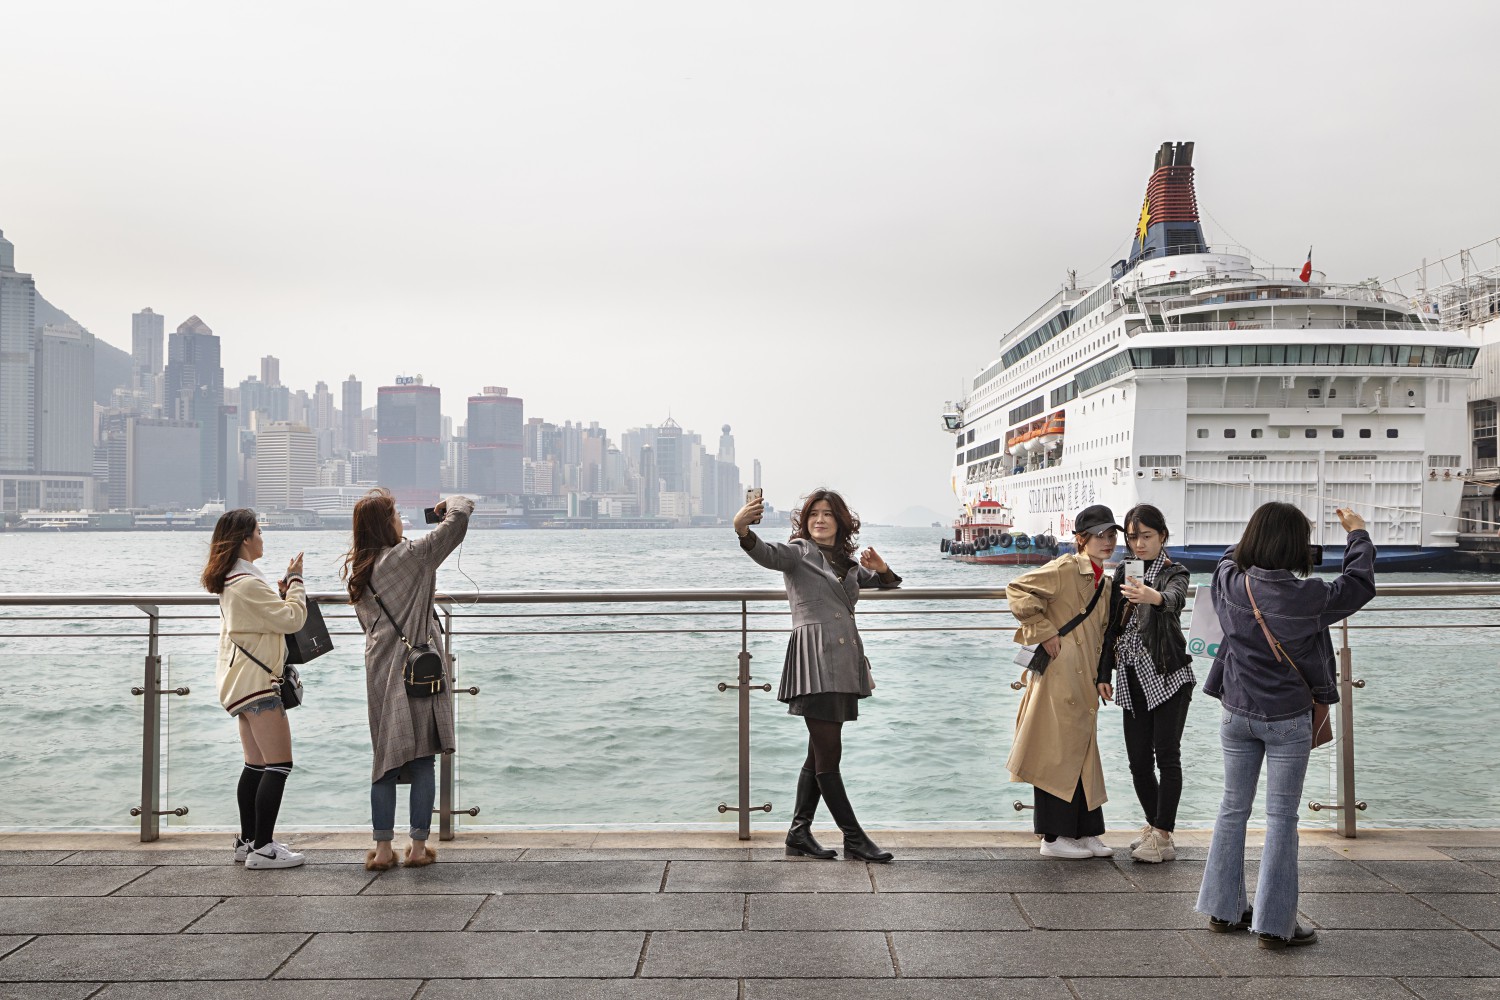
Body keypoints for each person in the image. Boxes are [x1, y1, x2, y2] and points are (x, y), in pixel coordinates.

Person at [1196, 504, 1374, 950]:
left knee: (1233, 808)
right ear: (1296, 547)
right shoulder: (1308, 596)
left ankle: (1224, 911)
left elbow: (1228, 556)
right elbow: (1358, 586)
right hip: (1287, 719)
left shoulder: (1228, 580)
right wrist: (1358, 535)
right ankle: (1276, 925)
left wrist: (1256, 537)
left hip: (1236, 713)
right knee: (1280, 819)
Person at [733, 488, 901, 863]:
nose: (820, 520)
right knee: (829, 755)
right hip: (813, 662)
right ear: (805, 522)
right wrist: (742, 529)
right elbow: (765, 553)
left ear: (841, 521)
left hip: (844, 663)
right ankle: (854, 838)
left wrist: (884, 567)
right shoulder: (798, 552)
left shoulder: (850, 565)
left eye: (827, 514)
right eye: (813, 515)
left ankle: (798, 833)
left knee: (818, 752)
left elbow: (888, 584)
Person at [343, 489, 475, 871]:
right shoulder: (411, 556)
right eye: (396, 513)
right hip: (416, 669)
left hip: (379, 670)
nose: (402, 519)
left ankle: (383, 851)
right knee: (421, 762)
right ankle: (417, 848)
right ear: (386, 523)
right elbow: (460, 520)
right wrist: (451, 502)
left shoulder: (360, 570)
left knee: (385, 760)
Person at [1006, 504, 1119, 859]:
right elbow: (1017, 589)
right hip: (1059, 672)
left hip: (1082, 674)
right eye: (1100, 535)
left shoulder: (1104, 579)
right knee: (1056, 750)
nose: (1108, 541)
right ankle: (1053, 838)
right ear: (1081, 539)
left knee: (1082, 749)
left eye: (1112, 535)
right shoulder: (1066, 568)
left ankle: (1086, 832)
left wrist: (1104, 676)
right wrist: (1044, 631)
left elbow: (1104, 634)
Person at [202, 509, 309, 870]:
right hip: (259, 685)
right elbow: (293, 618)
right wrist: (295, 582)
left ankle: (247, 842)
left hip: (239, 683)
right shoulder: (247, 583)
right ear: (245, 538)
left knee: (256, 765)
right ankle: (263, 848)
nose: (263, 538)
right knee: (279, 765)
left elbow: (263, 617)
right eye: (259, 532)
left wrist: (278, 592)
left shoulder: (232, 580)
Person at [1097, 503, 1194, 864]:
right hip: (1131, 676)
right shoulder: (1124, 570)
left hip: (1168, 674)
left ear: (1163, 537)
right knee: (1138, 761)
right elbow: (1111, 628)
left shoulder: (1174, 571)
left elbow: (1175, 599)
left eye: (1147, 536)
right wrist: (1103, 674)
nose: (1139, 544)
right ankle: (1155, 827)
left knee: (1167, 756)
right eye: (1133, 536)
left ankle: (1163, 833)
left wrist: (1152, 597)